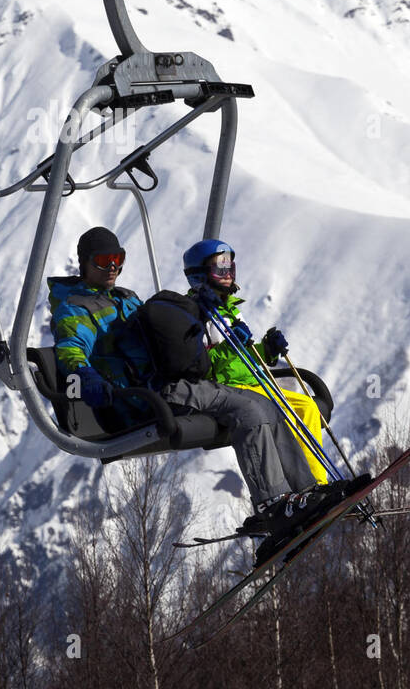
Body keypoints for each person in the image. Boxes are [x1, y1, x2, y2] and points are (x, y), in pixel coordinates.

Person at [160, 239, 367, 561]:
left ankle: (315, 487)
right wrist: (226, 348)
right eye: (220, 266)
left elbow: (244, 357)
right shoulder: (196, 314)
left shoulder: (227, 309)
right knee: (285, 409)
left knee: (306, 406)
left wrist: (266, 351)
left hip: (250, 382)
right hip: (228, 388)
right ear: (201, 273)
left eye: (230, 264)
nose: (228, 272)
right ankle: (302, 496)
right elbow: (199, 362)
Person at [47, 226, 151, 431]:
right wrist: (86, 375)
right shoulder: (76, 308)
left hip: (161, 383)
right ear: (85, 263)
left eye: (118, 259)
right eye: (104, 261)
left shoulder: (126, 297)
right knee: (231, 408)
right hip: (137, 401)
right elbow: (70, 348)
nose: (112, 267)